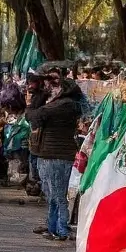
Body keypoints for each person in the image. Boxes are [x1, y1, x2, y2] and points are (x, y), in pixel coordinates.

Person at [25, 75, 82, 242]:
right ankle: (53, 227)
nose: (50, 89)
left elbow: (33, 116)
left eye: (55, 86)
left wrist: (29, 104)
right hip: (54, 155)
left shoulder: (63, 105)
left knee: (57, 195)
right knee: (54, 195)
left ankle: (61, 229)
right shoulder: (66, 105)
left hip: (55, 156)